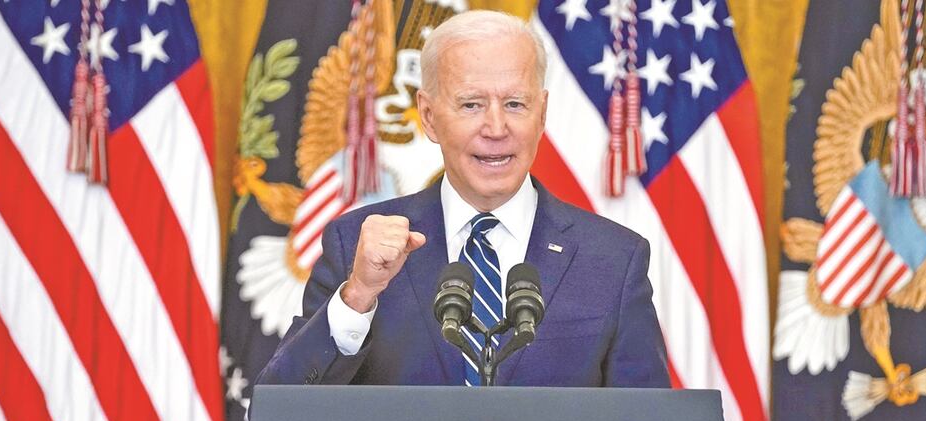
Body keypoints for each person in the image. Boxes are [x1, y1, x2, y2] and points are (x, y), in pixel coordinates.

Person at [257, 10, 669, 388]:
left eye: (514, 104)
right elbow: (283, 417)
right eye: (471, 104)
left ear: (541, 113)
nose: (495, 127)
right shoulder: (355, 247)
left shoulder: (614, 260)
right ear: (430, 116)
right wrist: (358, 296)